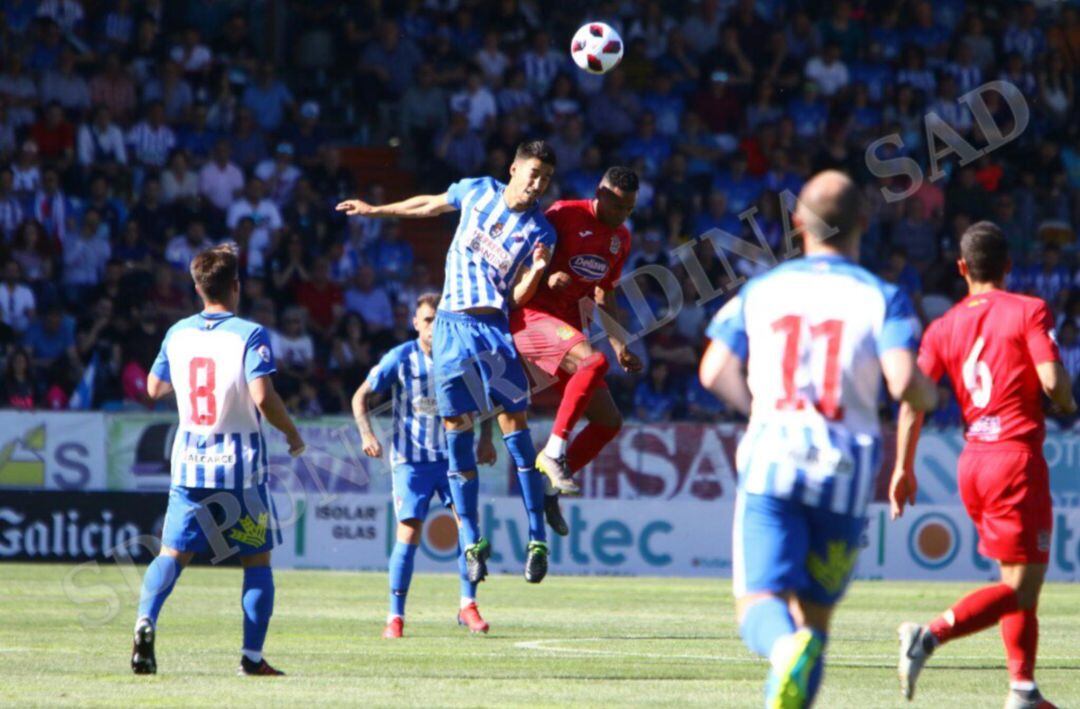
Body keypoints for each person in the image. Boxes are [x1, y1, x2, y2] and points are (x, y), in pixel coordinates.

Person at [699, 170, 938, 707]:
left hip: (773, 460)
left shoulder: (763, 289)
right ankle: (792, 661)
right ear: (863, 223)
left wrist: (760, 408)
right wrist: (930, 397)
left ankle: (781, 648)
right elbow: (903, 383)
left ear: (799, 223)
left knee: (761, 606)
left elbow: (714, 370)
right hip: (846, 473)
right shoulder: (885, 297)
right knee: (817, 623)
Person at [336, 140, 557, 584]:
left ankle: (537, 540)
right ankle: (473, 540)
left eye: (546, 180)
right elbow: (430, 205)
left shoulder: (541, 232)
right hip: (451, 329)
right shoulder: (477, 191)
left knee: (517, 432)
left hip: (493, 330)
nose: (537, 185)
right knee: (457, 433)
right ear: (513, 168)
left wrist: (534, 272)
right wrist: (376, 210)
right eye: (533, 174)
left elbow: (516, 297)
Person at [890, 221, 1076, 709]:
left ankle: (1023, 688)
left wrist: (903, 467)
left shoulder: (942, 326)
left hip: (973, 460)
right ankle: (926, 637)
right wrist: (1067, 402)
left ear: (961, 268)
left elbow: (914, 400)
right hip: (1015, 459)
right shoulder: (1028, 309)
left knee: (1018, 579)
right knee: (1018, 588)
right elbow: (1053, 381)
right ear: (1009, 266)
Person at [131, 244, 305, 677]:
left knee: (172, 554)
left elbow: (153, 389)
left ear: (197, 287)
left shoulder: (178, 333)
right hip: (239, 469)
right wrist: (292, 434)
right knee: (256, 561)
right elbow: (263, 396)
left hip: (189, 463)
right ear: (236, 286)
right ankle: (250, 658)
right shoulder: (250, 334)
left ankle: (145, 621)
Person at [352, 293, 496, 638]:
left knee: (468, 529)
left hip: (453, 459)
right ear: (416, 323)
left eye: (439, 320)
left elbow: (484, 400)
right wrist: (366, 435)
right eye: (428, 320)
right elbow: (360, 396)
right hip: (412, 462)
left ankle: (467, 605)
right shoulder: (401, 358)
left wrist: (486, 439)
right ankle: (395, 616)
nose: (434, 327)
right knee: (409, 532)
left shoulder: (461, 358)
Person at [509, 166, 642, 534]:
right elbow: (521, 261)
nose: (623, 216)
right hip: (531, 317)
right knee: (592, 360)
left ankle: (549, 493)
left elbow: (604, 292)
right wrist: (546, 275)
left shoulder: (621, 239)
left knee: (609, 422)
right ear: (600, 193)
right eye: (619, 208)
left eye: (629, 210)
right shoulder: (563, 214)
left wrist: (620, 344)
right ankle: (552, 452)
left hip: (568, 330)